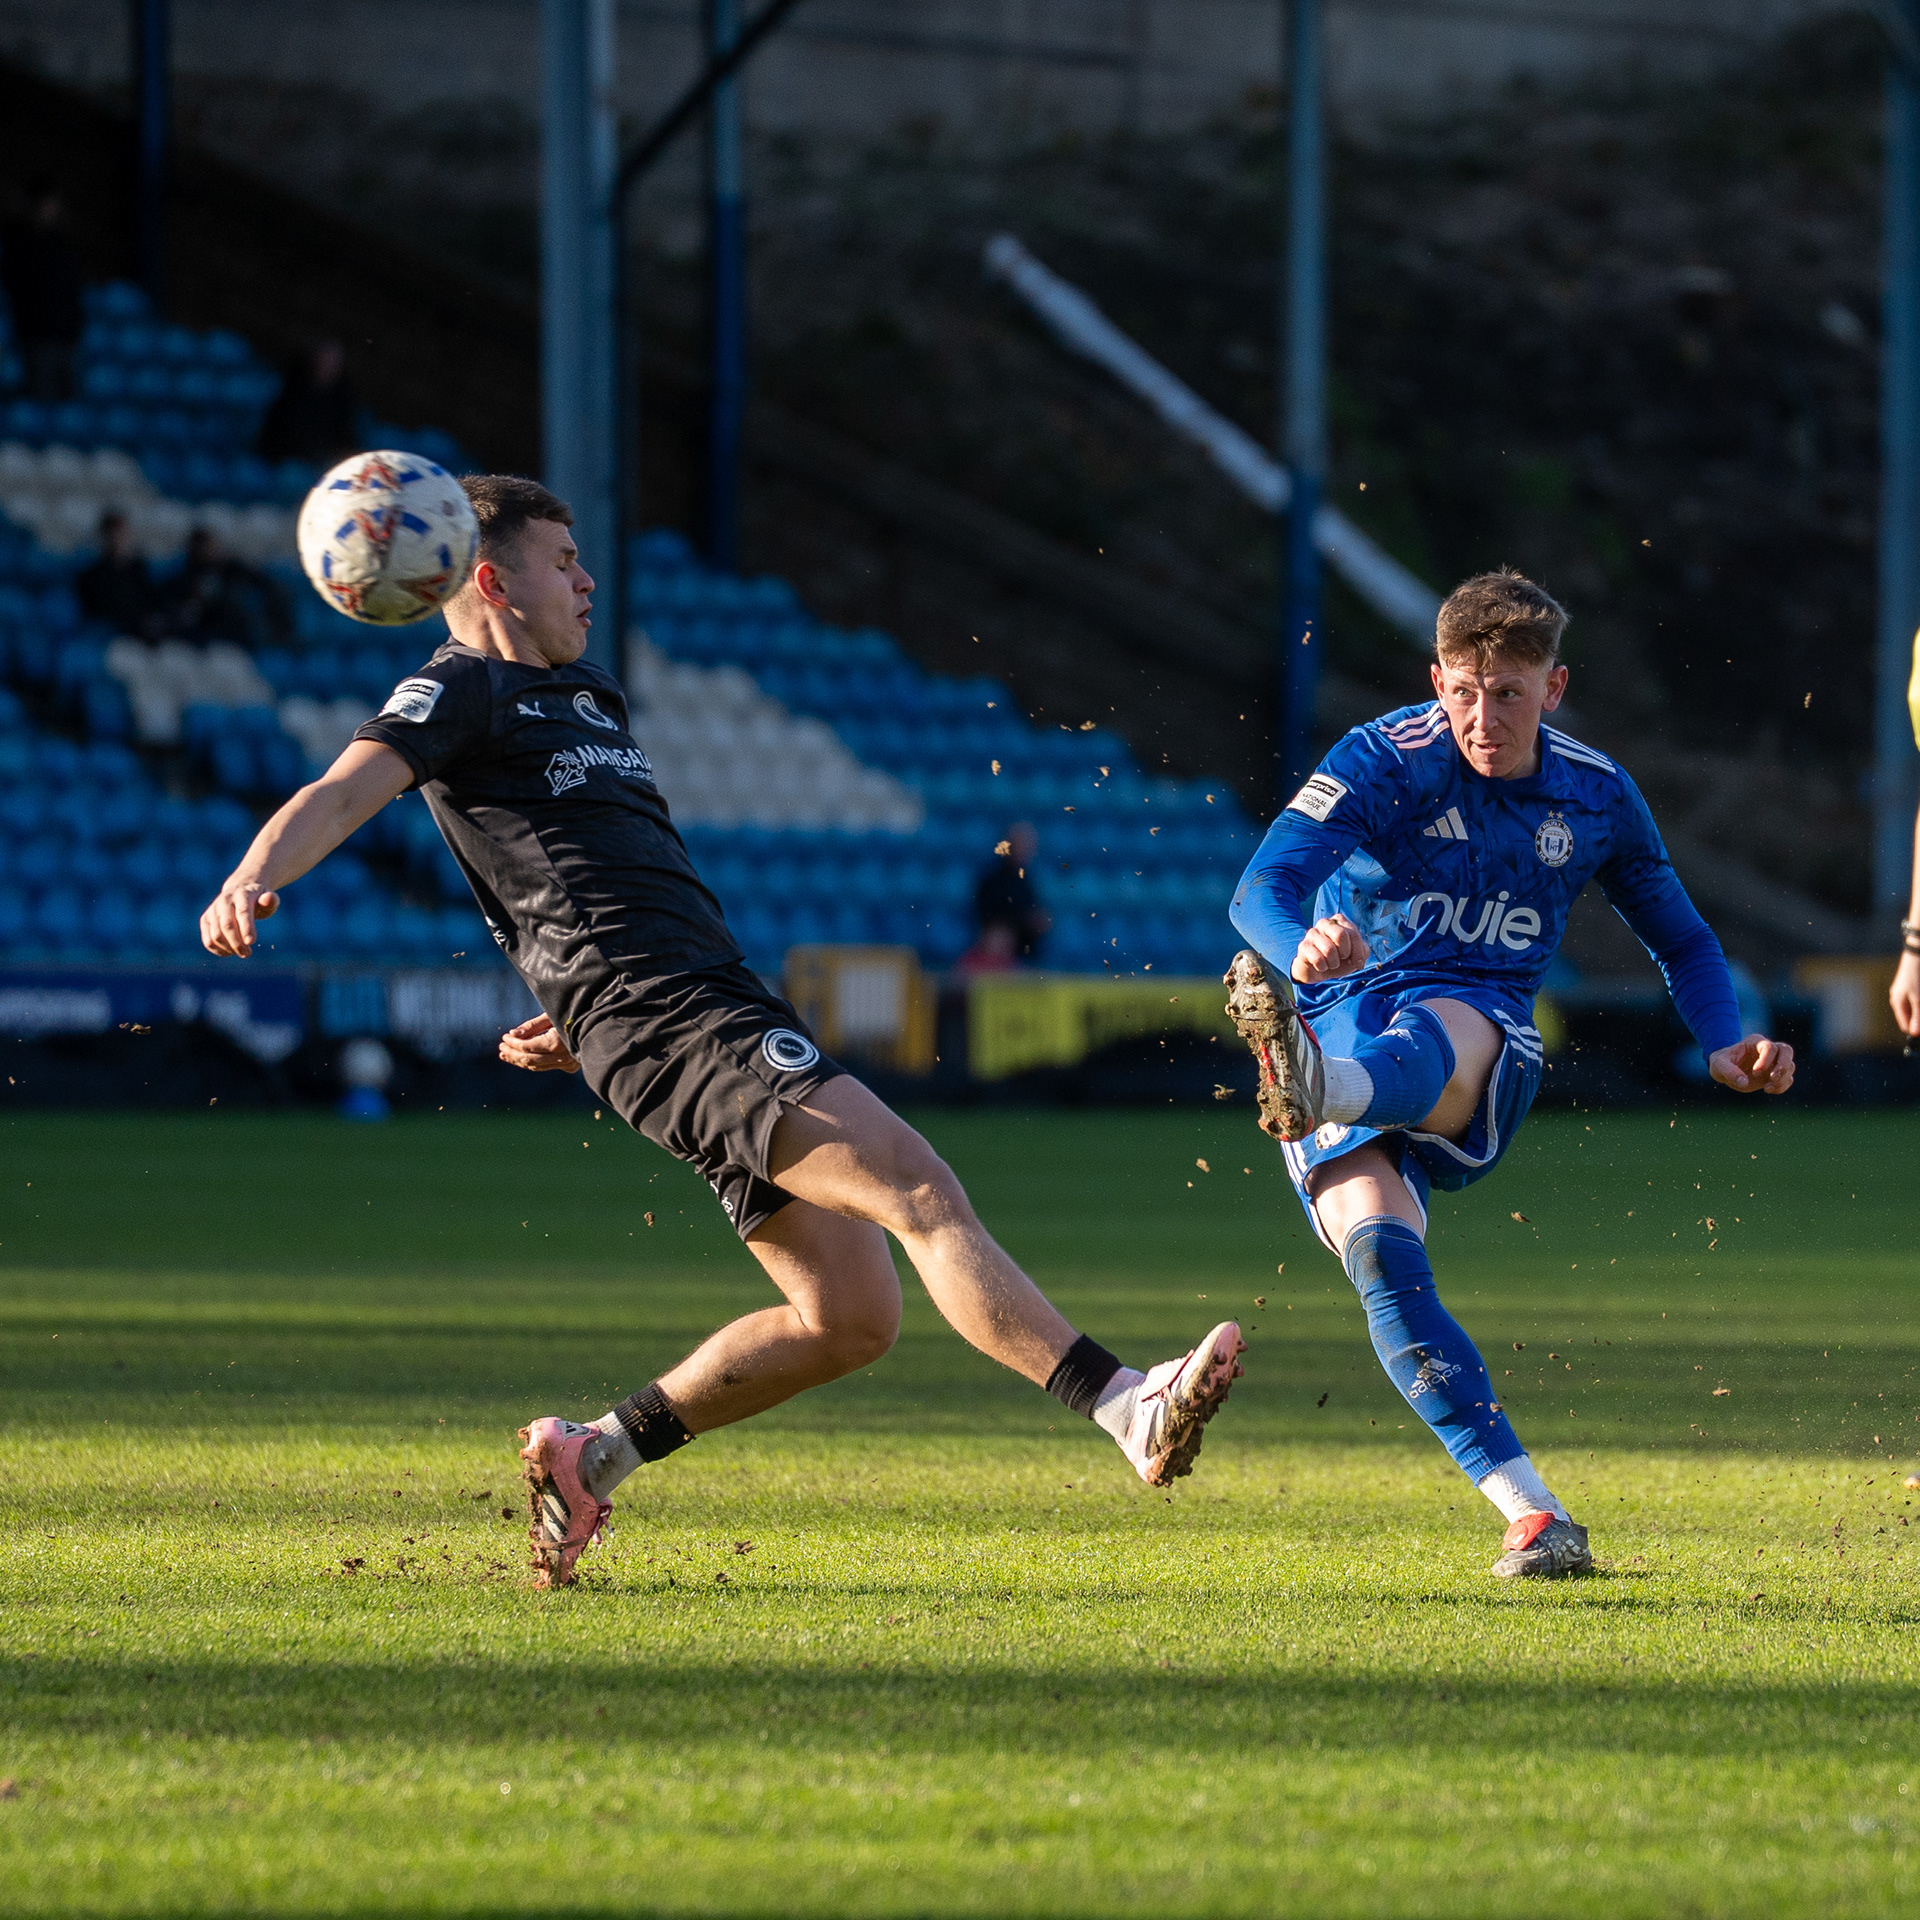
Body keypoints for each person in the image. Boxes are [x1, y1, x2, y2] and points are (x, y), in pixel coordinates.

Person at [199, 474, 1244, 1587]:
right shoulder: (458, 690)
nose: (588, 580)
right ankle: (1127, 1404)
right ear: (491, 578)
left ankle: (589, 1456)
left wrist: (577, 1004)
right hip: (671, 1019)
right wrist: (258, 874)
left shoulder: (587, 692)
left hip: (680, 1005)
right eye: (563, 562)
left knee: (849, 1319)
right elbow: (345, 788)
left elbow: (586, 869)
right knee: (917, 1185)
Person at [1224, 568, 1795, 1579]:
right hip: (1337, 1021)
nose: (1483, 719)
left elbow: (1686, 941)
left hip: (1478, 1029)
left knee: (1441, 1019)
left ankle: (1323, 1089)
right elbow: (1262, 888)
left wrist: (1721, 1038)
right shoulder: (1379, 758)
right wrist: (1300, 941)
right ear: (1435, 678)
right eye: (1464, 692)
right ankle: (1534, 1515)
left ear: (1555, 687)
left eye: (1509, 694)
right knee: (1381, 1261)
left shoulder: (1597, 794)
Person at [1, 177, 84, 404]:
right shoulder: (19, 242)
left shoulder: (62, 243)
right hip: (37, 337)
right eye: (46, 204)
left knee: (70, 406)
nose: (51, 210)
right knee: (41, 402)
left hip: (66, 336)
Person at [159, 526, 290, 649]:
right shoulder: (184, 577)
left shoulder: (232, 567)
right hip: (199, 635)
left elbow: (265, 582)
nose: (214, 549)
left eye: (214, 544)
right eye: (207, 546)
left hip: (233, 632)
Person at [255, 339, 365, 468]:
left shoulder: (342, 399)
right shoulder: (291, 389)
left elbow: (346, 437)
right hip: (284, 461)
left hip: (321, 463)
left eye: (333, 362)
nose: (328, 366)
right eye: (324, 359)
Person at [974, 820, 1049, 963]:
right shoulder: (992, 880)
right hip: (997, 958)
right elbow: (991, 918)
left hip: (1024, 960)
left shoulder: (1028, 880)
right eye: (1020, 843)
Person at [74, 511, 158, 637]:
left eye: (123, 534)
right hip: (107, 632)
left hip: (137, 631)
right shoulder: (92, 575)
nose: (119, 540)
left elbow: (148, 603)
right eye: (115, 534)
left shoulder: (140, 569)